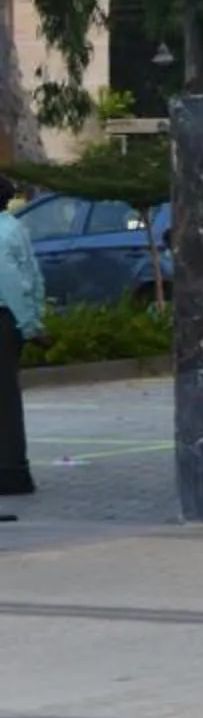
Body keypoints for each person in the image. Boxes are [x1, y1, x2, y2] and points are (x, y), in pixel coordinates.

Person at [0, 174, 40, 495]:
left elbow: (10, 281)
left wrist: (25, 322)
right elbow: (34, 278)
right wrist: (32, 322)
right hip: (10, 318)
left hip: (4, 316)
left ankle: (10, 471)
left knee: (5, 399)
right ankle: (13, 469)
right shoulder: (14, 228)